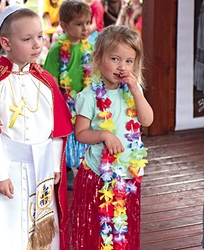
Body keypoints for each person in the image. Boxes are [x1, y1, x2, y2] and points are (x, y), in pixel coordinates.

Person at [0, 6, 72, 250]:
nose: (37, 45)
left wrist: (54, 166)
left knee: (41, 222)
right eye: (27, 39)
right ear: (6, 42)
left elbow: (56, 129)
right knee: (9, 223)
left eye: (39, 37)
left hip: (42, 169)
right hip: (9, 170)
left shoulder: (46, 82)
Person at [70, 25, 154, 249]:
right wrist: (105, 134)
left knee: (122, 229)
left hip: (127, 174)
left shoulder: (132, 93)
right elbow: (80, 133)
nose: (122, 67)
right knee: (99, 231)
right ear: (98, 58)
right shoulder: (89, 96)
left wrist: (136, 90)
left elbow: (147, 120)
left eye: (129, 61)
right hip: (99, 175)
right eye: (115, 58)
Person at [44, 0, 93, 189]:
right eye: (79, 24)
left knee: (83, 134)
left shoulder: (87, 48)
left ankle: (83, 166)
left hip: (84, 99)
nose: (85, 28)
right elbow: (52, 79)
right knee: (65, 136)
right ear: (64, 26)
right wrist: (60, 101)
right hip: (65, 101)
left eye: (87, 23)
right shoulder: (57, 50)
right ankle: (66, 170)